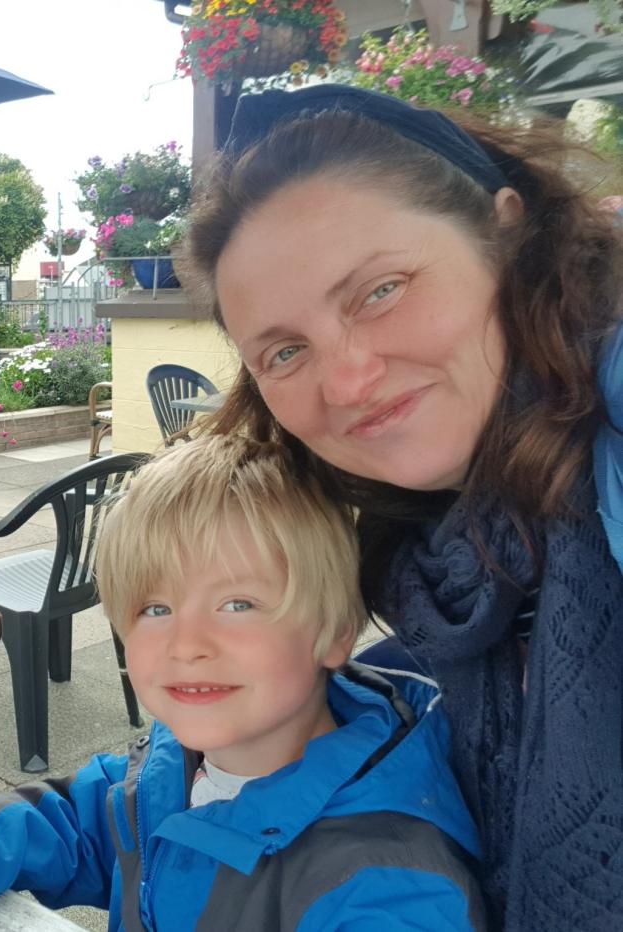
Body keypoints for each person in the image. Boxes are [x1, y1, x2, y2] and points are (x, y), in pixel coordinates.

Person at [177, 84, 623, 931]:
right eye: (284, 350)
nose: (346, 381)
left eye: (380, 291)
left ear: (507, 231)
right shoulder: (437, 558)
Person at [0, 435, 486, 931]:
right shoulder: (163, 776)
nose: (187, 644)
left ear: (335, 632)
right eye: (155, 609)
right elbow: (63, 822)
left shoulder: (386, 888)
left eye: (239, 604)